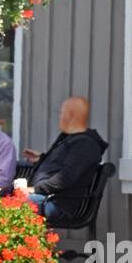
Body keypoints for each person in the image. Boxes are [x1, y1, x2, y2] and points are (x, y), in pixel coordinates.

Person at [19, 96, 108, 225]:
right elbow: (64, 164)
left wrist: (34, 189)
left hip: (56, 203)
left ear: (71, 116)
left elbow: (65, 178)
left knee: (0, 205)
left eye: (61, 113)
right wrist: (42, 159)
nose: (59, 117)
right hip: (46, 198)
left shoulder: (85, 144)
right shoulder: (73, 139)